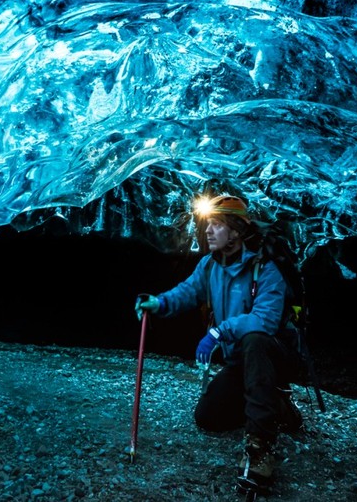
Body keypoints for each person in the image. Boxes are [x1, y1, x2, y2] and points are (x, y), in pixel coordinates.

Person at [134, 194, 302, 493]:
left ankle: (259, 449)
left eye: (217, 225)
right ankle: (275, 406)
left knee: (254, 339)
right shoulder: (210, 266)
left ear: (236, 231)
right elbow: (187, 292)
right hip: (240, 360)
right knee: (208, 418)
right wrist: (158, 303)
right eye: (208, 224)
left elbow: (264, 320)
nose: (208, 231)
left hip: (272, 357)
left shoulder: (266, 269)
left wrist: (217, 333)